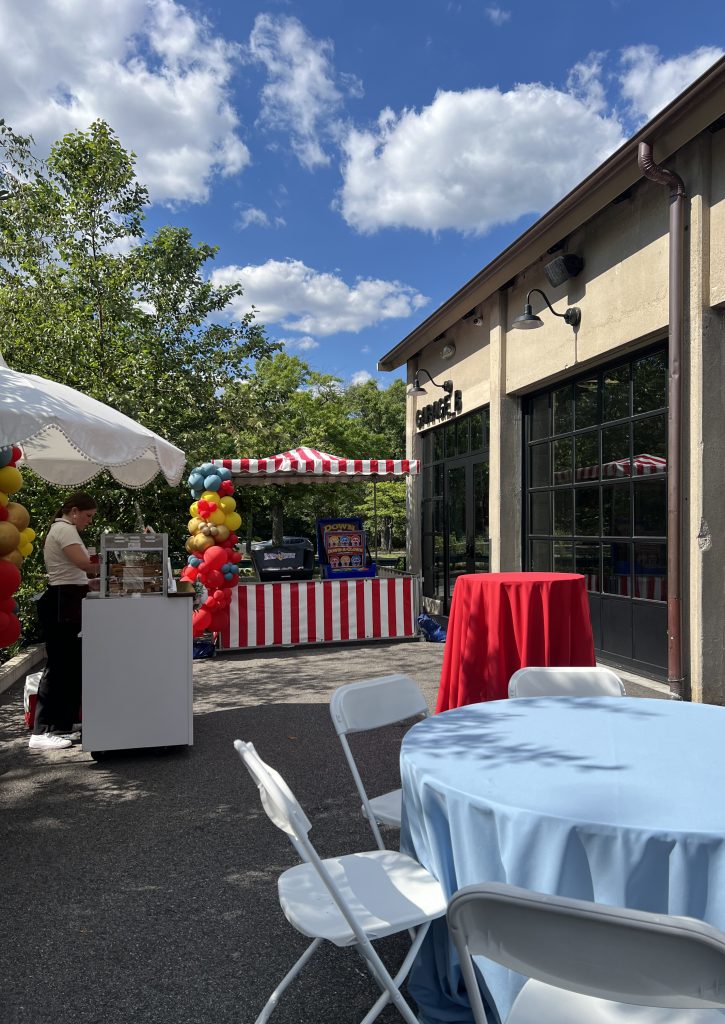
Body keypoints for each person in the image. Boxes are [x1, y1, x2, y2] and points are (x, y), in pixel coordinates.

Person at [29, 492, 99, 750]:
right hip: (63, 600)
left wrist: (87, 582)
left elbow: (74, 572)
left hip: (68, 596)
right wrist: (114, 564)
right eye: (88, 516)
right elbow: (83, 563)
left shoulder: (64, 528)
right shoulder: (65, 529)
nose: (89, 521)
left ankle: (62, 723)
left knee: (70, 663)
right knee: (60, 664)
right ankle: (41, 729)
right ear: (74, 511)